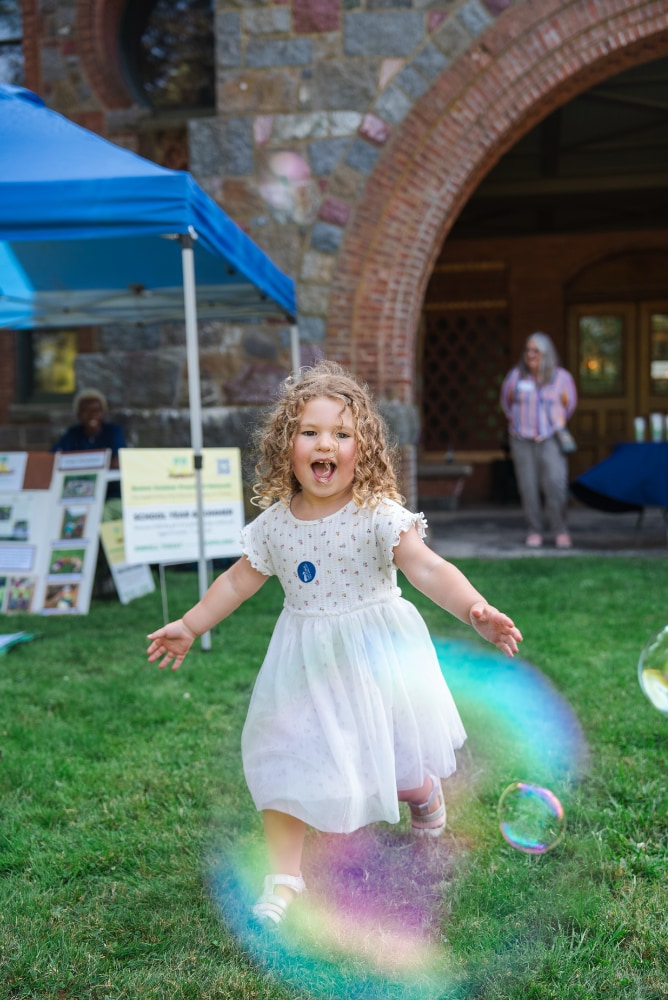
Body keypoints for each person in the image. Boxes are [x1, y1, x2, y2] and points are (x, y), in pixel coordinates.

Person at [146, 361, 522, 927]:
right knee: (281, 755)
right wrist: (192, 624)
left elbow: (426, 567)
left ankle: (424, 797)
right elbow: (237, 580)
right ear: (286, 446)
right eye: (311, 432)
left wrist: (474, 609)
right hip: (303, 662)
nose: (327, 444)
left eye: (342, 434)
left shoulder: (378, 517)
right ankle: (285, 877)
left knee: (396, 761)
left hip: (376, 657)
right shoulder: (275, 525)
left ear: (361, 448)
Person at [500, 333, 578, 549]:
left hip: (551, 439)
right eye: (528, 350)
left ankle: (560, 528)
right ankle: (534, 529)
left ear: (547, 354)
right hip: (522, 440)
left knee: (556, 484)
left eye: (536, 351)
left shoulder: (562, 377)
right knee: (528, 487)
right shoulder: (516, 377)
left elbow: (569, 404)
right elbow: (507, 403)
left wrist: (555, 423)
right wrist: (518, 425)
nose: (530, 355)